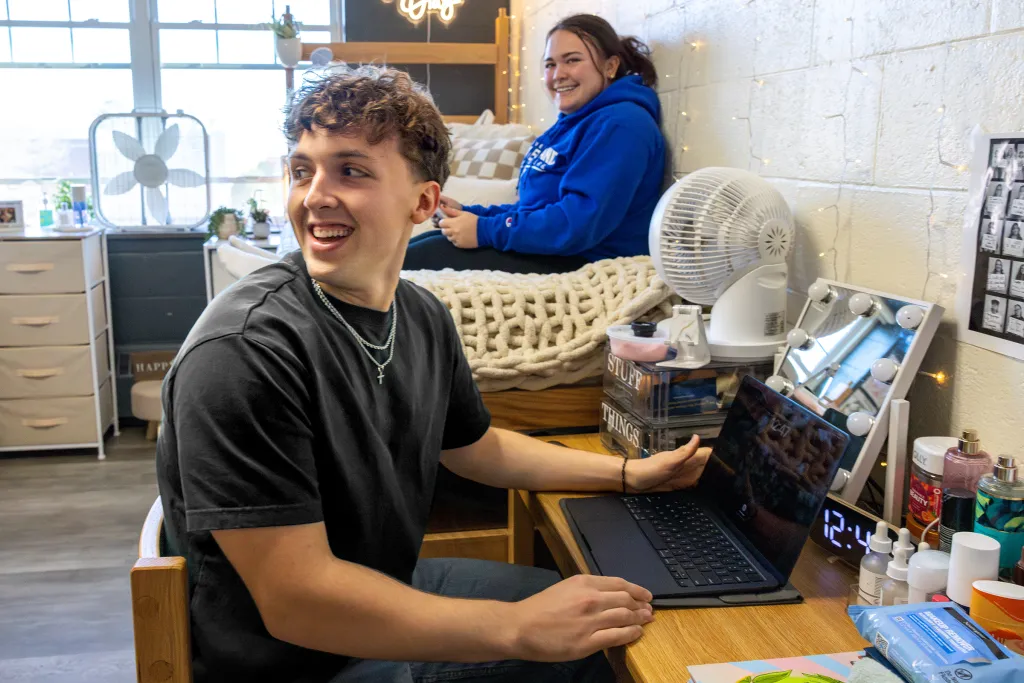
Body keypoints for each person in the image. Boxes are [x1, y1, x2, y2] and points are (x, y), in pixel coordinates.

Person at [156, 66, 710, 683]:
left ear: (423, 202)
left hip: (377, 584)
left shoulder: (417, 313)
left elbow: (475, 446)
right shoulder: (244, 353)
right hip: (293, 659)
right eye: (302, 169)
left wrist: (630, 474)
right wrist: (519, 630)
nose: (313, 195)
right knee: (602, 658)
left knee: (611, 606)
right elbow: (296, 601)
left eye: (351, 170)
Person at [403, 14, 666, 274]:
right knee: (417, 246)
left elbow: (576, 224)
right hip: (550, 250)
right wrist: (470, 213)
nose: (558, 74)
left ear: (610, 66)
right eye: (550, 64)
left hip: (582, 261)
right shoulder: (572, 124)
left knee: (410, 262)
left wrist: (484, 230)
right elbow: (532, 210)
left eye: (572, 60)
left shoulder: (622, 125)